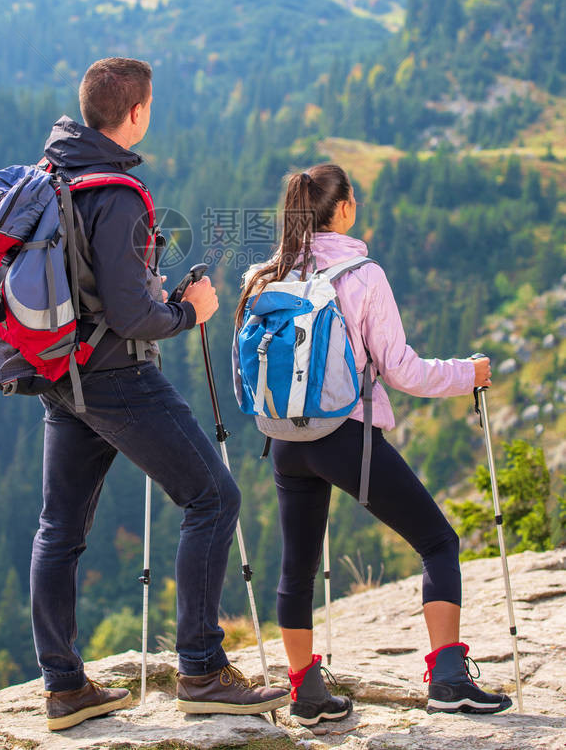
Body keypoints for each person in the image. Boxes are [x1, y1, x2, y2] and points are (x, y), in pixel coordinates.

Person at [31, 57, 289, 731]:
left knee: (59, 529)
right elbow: (130, 314)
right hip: (118, 375)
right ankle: (202, 667)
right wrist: (190, 311)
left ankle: (64, 687)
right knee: (214, 495)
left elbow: (99, 289)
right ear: (137, 111)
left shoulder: (54, 173)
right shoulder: (115, 192)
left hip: (63, 374)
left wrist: (157, 297)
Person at [233, 163, 512, 726]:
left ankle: (305, 693)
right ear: (342, 209)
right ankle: (449, 680)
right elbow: (403, 371)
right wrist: (469, 373)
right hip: (345, 437)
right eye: (352, 198)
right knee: (437, 541)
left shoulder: (263, 276)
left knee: (297, 570)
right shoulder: (363, 274)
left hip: (286, 441)